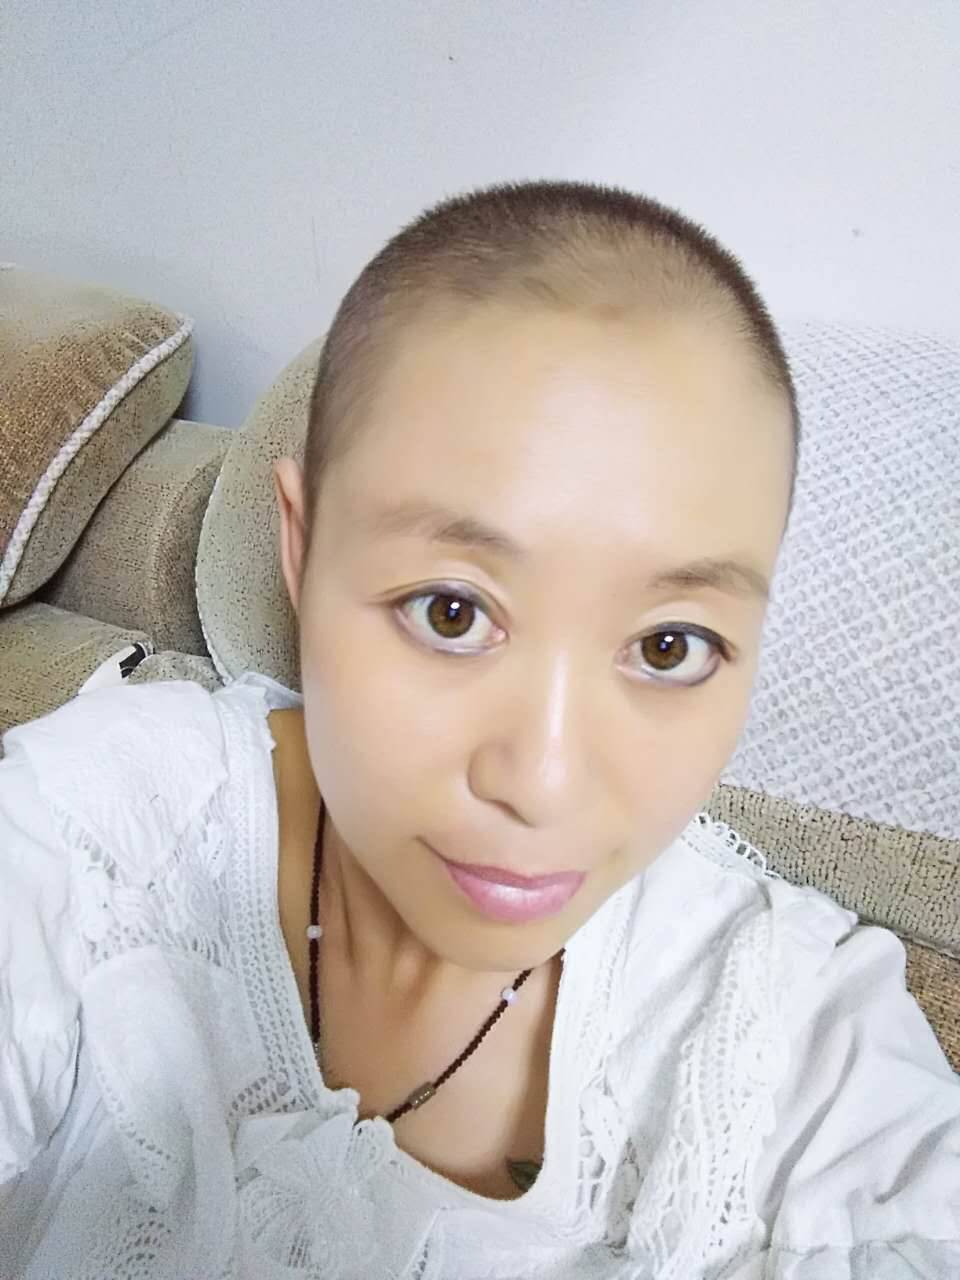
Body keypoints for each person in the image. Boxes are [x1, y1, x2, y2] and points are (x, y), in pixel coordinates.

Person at [1, 179, 957, 1280]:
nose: (543, 782)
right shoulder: (104, 828)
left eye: (668, 646)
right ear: (302, 550)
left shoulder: (792, 1036)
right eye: (452, 612)